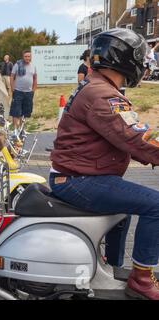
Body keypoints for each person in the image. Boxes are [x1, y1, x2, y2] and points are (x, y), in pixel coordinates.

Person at [50, 29, 159, 300]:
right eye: (140, 60)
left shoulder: (97, 86)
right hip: (79, 180)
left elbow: (127, 136)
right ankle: (142, 279)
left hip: (81, 175)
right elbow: (135, 138)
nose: (143, 66)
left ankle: (111, 268)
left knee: (126, 206)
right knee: (156, 205)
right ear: (124, 59)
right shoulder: (102, 95)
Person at [10, 50, 37, 131]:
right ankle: (15, 130)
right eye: (26, 56)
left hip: (28, 93)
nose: (27, 58)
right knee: (16, 112)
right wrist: (12, 89)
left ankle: (22, 130)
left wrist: (33, 90)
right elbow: (12, 77)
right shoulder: (17, 65)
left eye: (29, 56)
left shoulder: (33, 66)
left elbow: (35, 78)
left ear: (31, 57)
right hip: (18, 92)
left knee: (25, 112)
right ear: (23, 57)